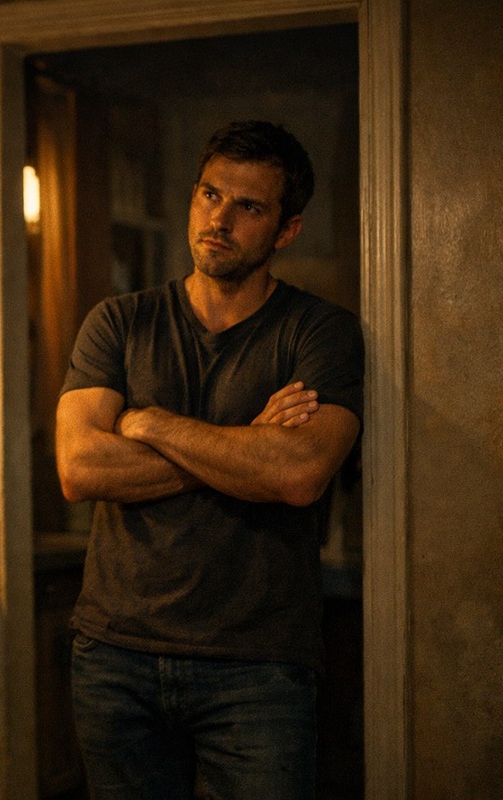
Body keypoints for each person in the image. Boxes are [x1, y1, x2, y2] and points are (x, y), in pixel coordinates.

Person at [56, 120, 363, 799]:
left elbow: (299, 474)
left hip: (258, 663)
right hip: (116, 654)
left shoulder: (321, 332)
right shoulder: (119, 321)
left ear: (286, 230)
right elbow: (80, 468)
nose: (219, 219)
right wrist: (246, 444)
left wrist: (151, 423)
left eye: (248, 206)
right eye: (210, 194)